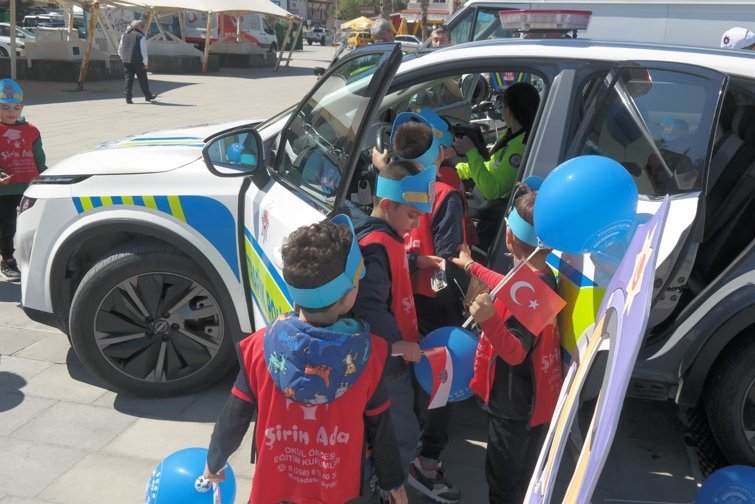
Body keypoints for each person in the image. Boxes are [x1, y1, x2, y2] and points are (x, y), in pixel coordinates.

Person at [204, 215, 408, 504]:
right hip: (340, 488)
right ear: (348, 297)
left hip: (278, 486)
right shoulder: (370, 356)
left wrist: (215, 461)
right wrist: (394, 484)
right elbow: (381, 429)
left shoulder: (258, 349)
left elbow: (233, 418)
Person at [449, 183, 563, 504]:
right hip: (528, 402)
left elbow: (514, 352)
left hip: (513, 406)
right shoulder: (540, 274)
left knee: (503, 482)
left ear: (510, 238)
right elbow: (509, 287)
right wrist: (471, 266)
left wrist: (488, 318)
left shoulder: (531, 286)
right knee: (518, 476)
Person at [352, 159, 441, 490]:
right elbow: (370, 308)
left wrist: (416, 260)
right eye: (412, 216)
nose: (416, 225)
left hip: (389, 354)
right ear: (387, 204)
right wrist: (396, 347)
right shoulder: (376, 247)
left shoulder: (379, 233)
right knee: (401, 434)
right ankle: (390, 490)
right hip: (388, 361)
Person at [453, 82, 540, 250]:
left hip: (495, 211)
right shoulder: (511, 135)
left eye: (503, 105)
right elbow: (490, 165)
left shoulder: (520, 147)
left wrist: (471, 152)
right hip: (484, 198)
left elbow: (492, 190)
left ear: (509, 110)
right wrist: (456, 170)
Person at [0, 79, 47, 282]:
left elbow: (39, 158)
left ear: (22, 107)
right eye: (5, 107)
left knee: (30, 225)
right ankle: (7, 260)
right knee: (7, 226)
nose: (12, 112)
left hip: (28, 188)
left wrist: (45, 178)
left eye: (16, 107)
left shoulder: (32, 130)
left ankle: (33, 260)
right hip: (5, 190)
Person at [118, 20, 157, 104]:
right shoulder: (140, 36)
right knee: (143, 79)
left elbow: (120, 49)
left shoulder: (124, 35)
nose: (143, 28)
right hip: (138, 62)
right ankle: (148, 96)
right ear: (139, 27)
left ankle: (128, 98)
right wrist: (145, 63)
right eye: (142, 26)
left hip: (126, 61)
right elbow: (144, 52)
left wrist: (123, 58)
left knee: (128, 79)